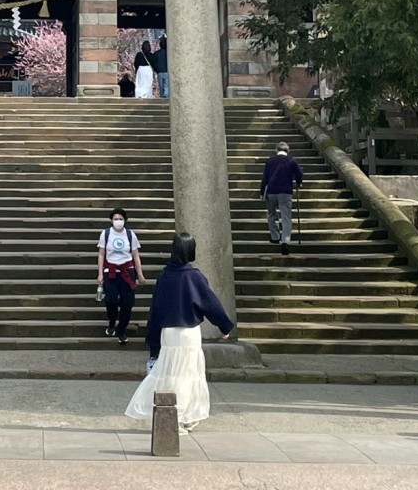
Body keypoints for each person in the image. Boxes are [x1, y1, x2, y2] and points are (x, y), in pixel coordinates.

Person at [125, 231, 234, 431]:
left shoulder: (164, 275)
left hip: (168, 332)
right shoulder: (194, 276)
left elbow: (155, 309)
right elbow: (210, 303)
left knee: (169, 374)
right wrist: (224, 325)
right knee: (187, 374)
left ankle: (172, 414)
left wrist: (153, 341)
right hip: (188, 333)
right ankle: (181, 415)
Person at [97, 207, 146, 344]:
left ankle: (122, 329)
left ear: (125, 220)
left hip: (127, 271)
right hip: (111, 271)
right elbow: (101, 254)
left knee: (127, 303)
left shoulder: (130, 235)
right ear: (111, 221)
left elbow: (136, 256)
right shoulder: (106, 234)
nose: (118, 221)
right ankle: (112, 322)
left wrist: (140, 275)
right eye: (115, 219)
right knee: (111, 300)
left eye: (120, 219)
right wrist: (100, 273)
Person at [260, 140, 303, 255]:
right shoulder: (291, 161)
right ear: (288, 151)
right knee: (286, 217)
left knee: (271, 214)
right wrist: (299, 182)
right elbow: (298, 175)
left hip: (271, 191)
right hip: (285, 192)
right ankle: (285, 241)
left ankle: (275, 237)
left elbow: (264, 177)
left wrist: (261, 192)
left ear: (276, 150)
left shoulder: (270, 161)